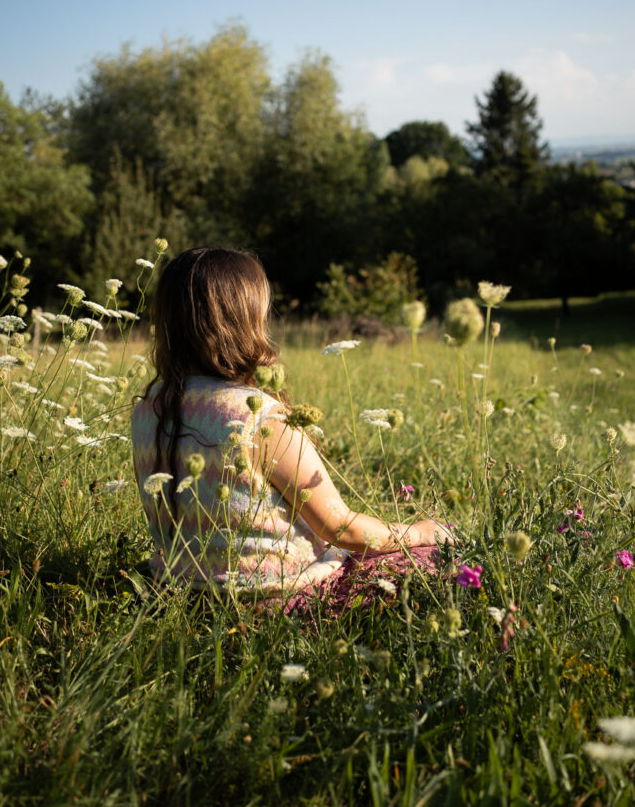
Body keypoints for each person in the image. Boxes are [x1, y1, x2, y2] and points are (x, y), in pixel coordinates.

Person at [131, 246, 453, 614]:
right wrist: (421, 532)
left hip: (182, 592)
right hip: (273, 597)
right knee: (435, 556)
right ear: (244, 321)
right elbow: (341, 528)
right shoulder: (257, 417)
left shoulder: (146, 410)